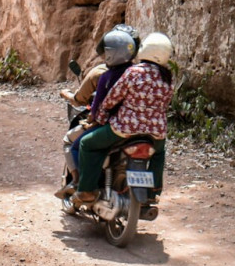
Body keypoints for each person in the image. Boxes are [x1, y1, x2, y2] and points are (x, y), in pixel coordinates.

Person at [72, 32, 175, 206]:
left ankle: (87, 190)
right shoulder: (168, 77)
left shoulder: (133, 72)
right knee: (158, 154)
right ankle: (153, 191)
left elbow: (112, 98)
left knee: (87, 144)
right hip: (156, 133)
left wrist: (101, 118)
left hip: (124, 130)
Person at [57, 26, 139, 198]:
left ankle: (81, 184)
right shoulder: (140, 73)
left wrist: (66, 95)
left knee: (75, 143)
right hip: (139, 126)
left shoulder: (101, 74)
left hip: (112, 126)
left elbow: (91, 106)